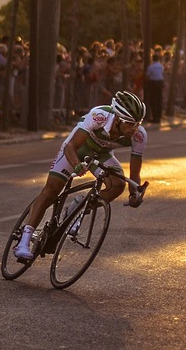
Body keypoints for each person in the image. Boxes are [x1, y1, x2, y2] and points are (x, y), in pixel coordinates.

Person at [13, 91, 149, 261]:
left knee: (118, 185)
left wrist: (134, 193)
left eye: (138, 123)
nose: (134, 128)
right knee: (51, 191)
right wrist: (77, 165)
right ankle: (24, 240)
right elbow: (71, 146)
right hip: (77, 149)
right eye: (130, 123)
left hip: (101, 154)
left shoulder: (139, 136)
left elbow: (134, 173)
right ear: (117, 119)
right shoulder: (99, 116)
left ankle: (78, 208)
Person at [144, 50, 165, 125]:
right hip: (160, 82)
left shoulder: (151, 67)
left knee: (153, 100)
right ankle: (159, 117)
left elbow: (147, 76)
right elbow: (162, 73)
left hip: (153, 83)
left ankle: (155, 117)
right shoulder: (161, 66)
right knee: (159, 100)